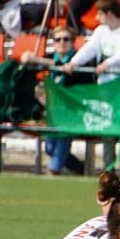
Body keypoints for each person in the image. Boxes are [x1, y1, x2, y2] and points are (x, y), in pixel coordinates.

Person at [22, 26, 85, 176]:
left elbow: (66, 68)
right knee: (49, 148)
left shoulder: (78, 60)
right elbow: (31, 60)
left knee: (61, 140)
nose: (62, 43)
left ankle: (54, 170)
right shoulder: (52, 58)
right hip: (54, 112)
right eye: (58, 40)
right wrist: (27, 57)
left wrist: (39, 60)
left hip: (73, 111)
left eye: (66, 39)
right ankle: (78, 166)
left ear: (73, 42)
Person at [61, 0, 120, 82]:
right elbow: (89, 48)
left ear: (109, 14)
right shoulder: (100, 31)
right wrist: (73, 63)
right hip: (104, 82)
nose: (96, 18)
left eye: (99, 14)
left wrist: (107, 63)